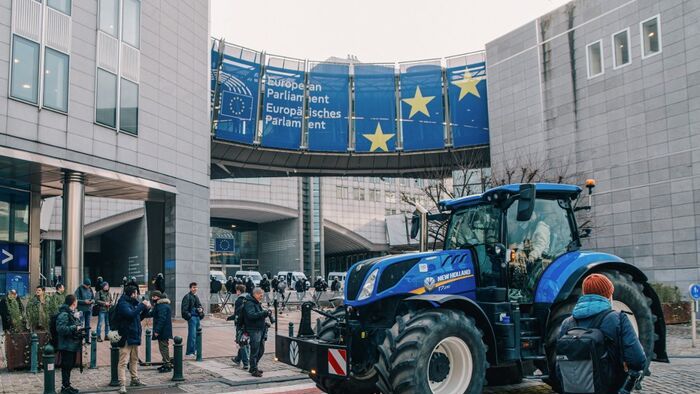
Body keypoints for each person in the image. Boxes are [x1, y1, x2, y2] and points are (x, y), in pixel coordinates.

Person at [557, 274, 646, 393]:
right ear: (608, 295)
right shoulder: (618, 319)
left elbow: (558, 366)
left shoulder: (567, 323)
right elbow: (637, 360)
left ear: (585, 294)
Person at [115, 285, 151, 394]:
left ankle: (134, 379)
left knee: (134, 359)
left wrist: (145, 309)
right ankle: (122, 385)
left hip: (134, 335)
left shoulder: (132, 303)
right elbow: (130, 315)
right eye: (136, 293)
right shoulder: (123, 303)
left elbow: (137, 317)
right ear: (132, 294)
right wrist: (141, 305)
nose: (137, 295)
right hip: (126, 336)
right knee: (123, 362)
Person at [55, 294, 84, 394]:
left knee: (69, 366)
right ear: (73, 302)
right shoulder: (64, 314)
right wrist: (74, 328)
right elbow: (60, 329)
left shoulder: (70, 312)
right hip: (66, 345)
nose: (77, 303)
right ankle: (65, 388)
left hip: (70, 345)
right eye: (76, 301)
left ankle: (67, 385)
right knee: (66, 366)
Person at [243, 287, 270, 377]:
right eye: (259, 294)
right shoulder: (249, 303)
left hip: (260, 328)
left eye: (262, 294)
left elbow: (259, 314)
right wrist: (263, 313)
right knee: (254, 350)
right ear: (254, 294)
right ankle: (253, 369)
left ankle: (255, 366)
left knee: (261, 350)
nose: (261, 296)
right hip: (254, 329)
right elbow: (251, 315)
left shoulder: (257, 302)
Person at [149, 291, 173, 373]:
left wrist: (157, 331)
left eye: (154, 297)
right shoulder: (159, 305)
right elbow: (152, 314)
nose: (152, 298)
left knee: (163, 347)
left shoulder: (162, 306)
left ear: (158, 297)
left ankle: (167, 364)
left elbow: (161, 320)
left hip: (163, 331)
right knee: (163, 347)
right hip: (163, 331)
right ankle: (165, 363)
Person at [181, 282, 204, 357]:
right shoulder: (187, 297)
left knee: (197, 335)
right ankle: (190, 352)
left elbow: (200, 305)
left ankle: (196, 350)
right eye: (193, 287)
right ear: (190, 288)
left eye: (196, 287)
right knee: (192, 335)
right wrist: (189, 317)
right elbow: (184, 310)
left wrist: (201, 309)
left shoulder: (196, 297)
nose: (195, 289)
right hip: (192, 318)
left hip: (197, 317)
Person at [230, 284, 249, 369]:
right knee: (244, 341)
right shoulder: (249, 298)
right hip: (248, 324)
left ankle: (246, 362)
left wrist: (231, 318)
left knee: (242, 343)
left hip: (241, 325)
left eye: (237, 290)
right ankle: (238, 359)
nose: (236, 292)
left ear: (239, 291)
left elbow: (237, 313)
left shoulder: (239, 300)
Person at [75, 279, 94, 343]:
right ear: (84, 284)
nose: (88, 287)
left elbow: (93, 298)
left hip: (88, 309)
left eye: (89, 285)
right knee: (81, 324)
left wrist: (92, 301)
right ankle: (80, 339)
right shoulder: (79, 289)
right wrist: (84, 301)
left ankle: (87, 339)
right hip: (82, 310)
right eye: (87, 285)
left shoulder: (90, 289)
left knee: (87, 325)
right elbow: (76, 299)